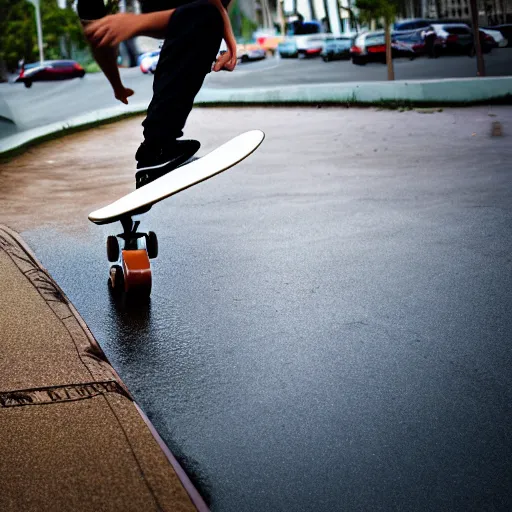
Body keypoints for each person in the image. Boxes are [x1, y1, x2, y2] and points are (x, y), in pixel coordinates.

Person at [77, 0, 237, 188]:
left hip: (194, 11)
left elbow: (212, 6)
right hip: (184, 11)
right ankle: (157, 149)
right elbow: (99, 39)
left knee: (203, 17)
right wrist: (116, 84)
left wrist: (229, 41)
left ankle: (159, 144)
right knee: (202, 17)